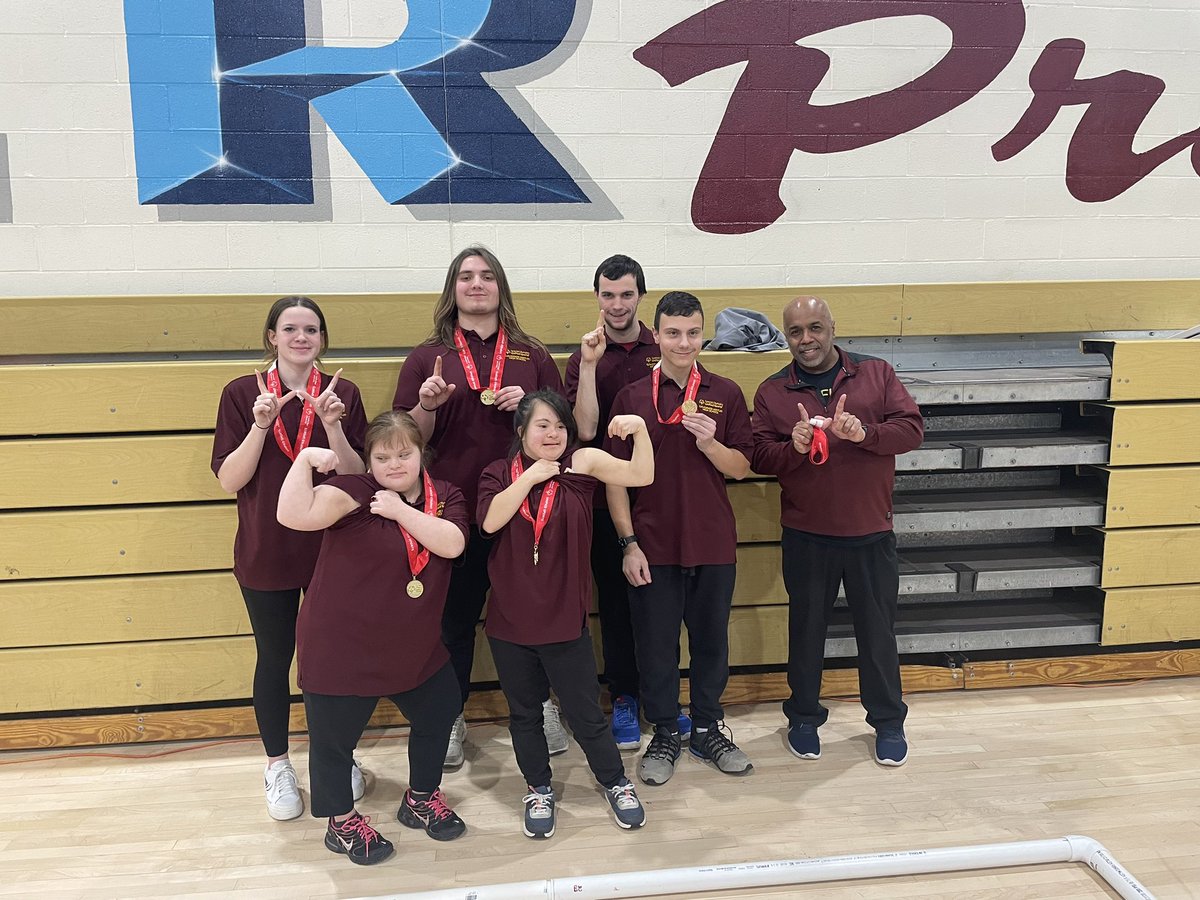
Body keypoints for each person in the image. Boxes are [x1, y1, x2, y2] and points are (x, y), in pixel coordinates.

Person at [393, 246, 567, 768]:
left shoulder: (531, 354)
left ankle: (541, 706)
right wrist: (426, 406)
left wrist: (531, 406)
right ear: (452, 289)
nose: (476, 284)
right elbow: (405, 445)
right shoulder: (428, 357)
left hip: (526, 505)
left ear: (500, 288)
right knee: (453, 622)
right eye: (466, 277)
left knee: (534, 617)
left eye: (486, 276)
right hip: (452, 510)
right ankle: (450, 717)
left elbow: (562, 430)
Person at [277, 411, 469, 865]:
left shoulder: (446, 497)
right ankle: (341, 824)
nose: (394, 464)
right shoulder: (357, 491)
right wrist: (303, 460)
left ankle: (420, 798)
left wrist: (401, 509)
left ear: (423, 453)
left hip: (413, 645)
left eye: (404, 453)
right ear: (369, 461)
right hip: (341, 645)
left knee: (440, 710)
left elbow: (453, 543)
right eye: (382, 457)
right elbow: (293, 514)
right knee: (333, 742)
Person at [211, 296, 368, 821]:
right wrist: (260, 424)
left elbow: (357, 478)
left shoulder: (342, 392)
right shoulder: (241, 393)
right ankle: (278, 764)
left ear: (323, 339)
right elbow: (230, 479)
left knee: (334, 660)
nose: (302, 338)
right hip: (267, 549)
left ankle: (335, 754)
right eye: (291, 329)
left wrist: (334, 426)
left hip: (332, 548)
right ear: (272, 337)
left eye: (312, 330)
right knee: (275, 659)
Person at [750, 296, 923, 766]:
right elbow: (759, 456)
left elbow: (912, 431)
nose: (807, 339)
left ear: (832, 328)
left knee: (878, 634)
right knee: (806, 634)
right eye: (795, 332)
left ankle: (888, 722)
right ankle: (803, 718)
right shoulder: (772, 391)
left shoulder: (877, 373)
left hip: (871, 533)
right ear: (786, 337)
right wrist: (794, 445)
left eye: (815, 328)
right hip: (807, 536)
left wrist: (864, 434)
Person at [477, 390, 653, 837]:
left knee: (586, 715)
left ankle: (615, 783)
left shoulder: (583, 465)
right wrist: (531, 477)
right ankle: (539, 788)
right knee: (525, 716)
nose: (553, 433)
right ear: (521, 432)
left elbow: (642, 474)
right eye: (542, 425)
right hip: (509, 624)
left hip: (563, 621)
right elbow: (490, 522)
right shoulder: (497, 473)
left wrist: (641, 432)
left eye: (559, 425)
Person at [605, 291, 755, 786]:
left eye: (693, 333)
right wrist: (628, 543)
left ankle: (709, 727)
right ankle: (666, 731)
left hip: (711, 542)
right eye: (673, 333)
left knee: (711, 643)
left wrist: (710, 441)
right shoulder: (631, 397)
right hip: (653, 545)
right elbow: (615, 479)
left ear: (703, 334)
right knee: (656, 647)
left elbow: (740, 469)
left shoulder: (725, 392)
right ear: (657, 334)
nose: (683, 342)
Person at [564, 255, 690, 750]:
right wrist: (591, 367)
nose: (617, 304)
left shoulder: (662, 346)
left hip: (663, 499)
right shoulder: (583, 356)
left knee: (661, 608)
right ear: (597, 297)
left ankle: (663, 699)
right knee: (616, 607)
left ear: (641, 296)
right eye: (608, 294)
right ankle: (624, 698)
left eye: (627, 294)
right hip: (601, 503)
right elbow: (587, 430)